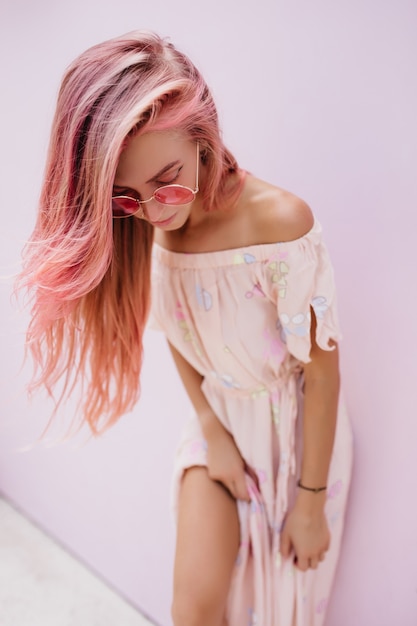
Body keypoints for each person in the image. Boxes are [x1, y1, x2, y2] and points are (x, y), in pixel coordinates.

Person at [18, 30, 353, 626]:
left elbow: (323, 371)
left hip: (297, 443)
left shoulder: (280, 223)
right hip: (214, 428)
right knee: (193, 612)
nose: (152, 210)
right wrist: (210, 428)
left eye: (166, 180)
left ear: (202, 138)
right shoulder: (152, 227)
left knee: (282, 612)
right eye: (126, 199)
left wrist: (310, 501)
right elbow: (181, 332)